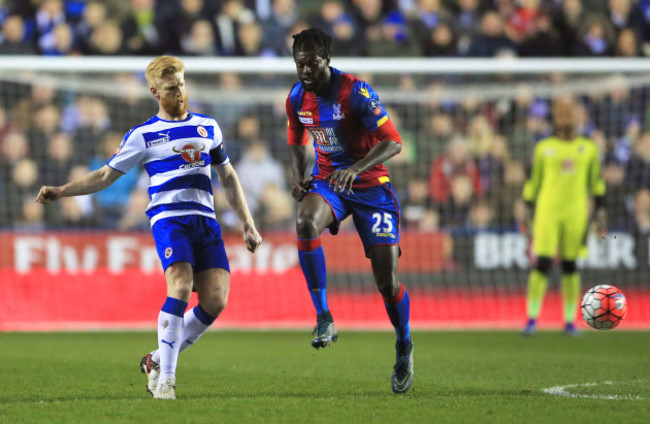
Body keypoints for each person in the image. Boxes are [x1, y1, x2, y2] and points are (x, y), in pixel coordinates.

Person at [35, 56, 262, 399]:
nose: (180, 92)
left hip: (206, 219)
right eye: (172, 88)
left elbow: (227, 176)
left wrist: (247, 223)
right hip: (169, 217)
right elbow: (104, 176)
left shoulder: (208, 127)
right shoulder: (142, 135)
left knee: (216, 301)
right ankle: (167, 381)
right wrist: (62, 191)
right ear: (156, 92)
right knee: (181, 285)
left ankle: (155, 359)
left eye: (182, 84)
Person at [286, 28, 413, 394]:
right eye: (299, 63)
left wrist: (356, 168)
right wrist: (299, 178)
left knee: (387, 283)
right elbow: (296, 140)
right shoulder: (296, 98)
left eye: (311, 63)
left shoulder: (355, 91)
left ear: (326, 59)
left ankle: (403, 345)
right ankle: (324, 316)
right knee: (305, 222)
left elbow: (394, 141)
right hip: (330, 183)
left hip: (371, 187)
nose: (305, 70)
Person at [521, 96, 606, 336]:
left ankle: (569, 321)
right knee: (543, 264)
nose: (567, 119)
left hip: (576, 213)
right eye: (563, 114)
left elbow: (596, 183)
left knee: (570, 265)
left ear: (579, 118)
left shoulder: (589, 149)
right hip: (547, 213)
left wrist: (601, 213)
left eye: (572, 114)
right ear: (556, 119)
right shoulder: (543, 148)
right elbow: (533, 182)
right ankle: (531, 319)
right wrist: (527, 211)